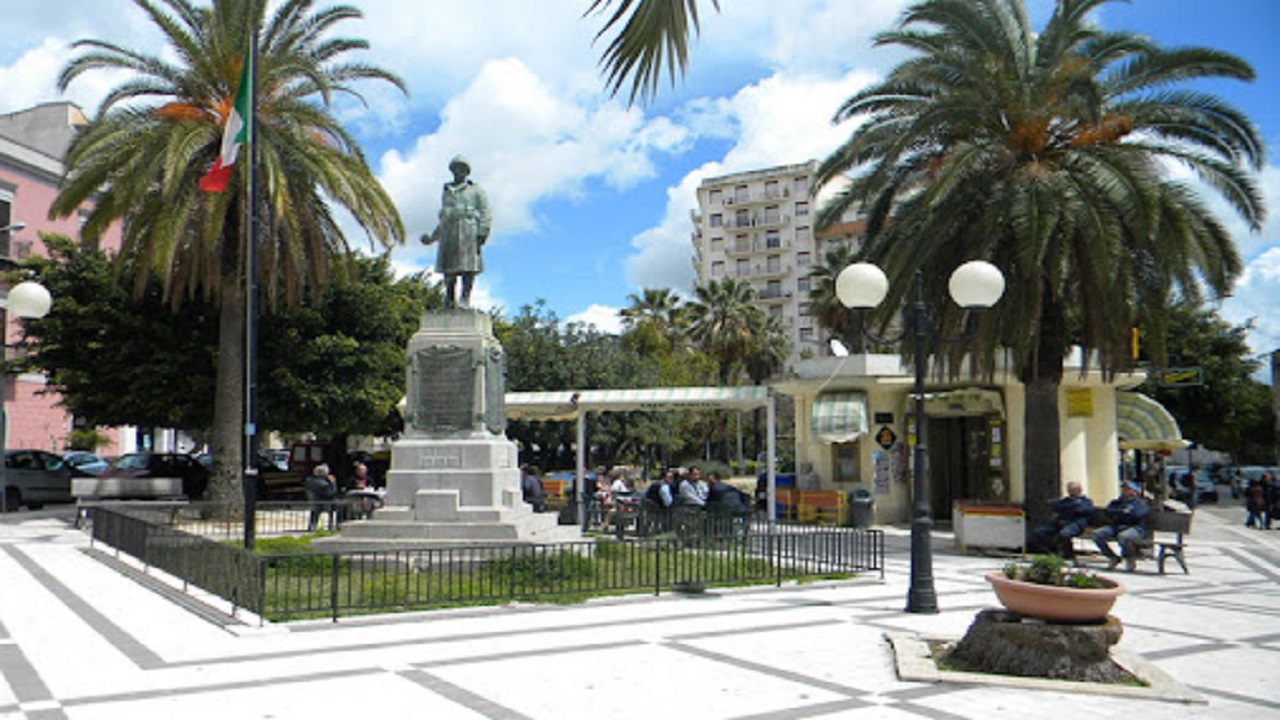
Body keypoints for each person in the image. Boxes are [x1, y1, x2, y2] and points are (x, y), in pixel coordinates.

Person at [421, 155, 491, 308]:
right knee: (449, 268)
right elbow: (444, 218)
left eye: (461, 168)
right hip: (449, 230)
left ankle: (465, 298)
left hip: (468, 228)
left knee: (468, 267)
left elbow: (485, 212)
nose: (458, 171)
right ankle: (449, 298)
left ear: (467, 171)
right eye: (455, 168)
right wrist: (432, 238)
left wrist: (482, 231)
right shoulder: (447, 190)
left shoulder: (476, 190)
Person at [1091, 481, 1150, 572]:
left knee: (1124, 536)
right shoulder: (1116, 502)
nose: (1124, 491)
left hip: (1135, 528)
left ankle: (1129, 558)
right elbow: (1108, 511)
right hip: (1116, 526)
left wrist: (1121, 513)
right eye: (1123, 488)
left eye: (1128, 489)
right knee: (1096, 534)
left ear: (1134, 491)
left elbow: (1137, 515)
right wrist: (1122, 512)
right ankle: (1112, 557)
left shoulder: (1140, 503)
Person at [1031, 481, 1094, 558]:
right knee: (1038, 532)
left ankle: (1068, 555)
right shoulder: (1065, 501)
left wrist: (1069, 508)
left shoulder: (1086, 501)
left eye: (1073, 490)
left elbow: (1083, 510)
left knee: (1064, 534)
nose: (1070, 492)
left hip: (1075, 524)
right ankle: (1050, 552)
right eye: (1069, 490)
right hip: (1059, 523)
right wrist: (1072, 507)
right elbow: (1056, 507)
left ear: (1079, 490)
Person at [304, 463, 337, 531]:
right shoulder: (323, 484)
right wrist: (333, 483)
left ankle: (312, 525)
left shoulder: (309, 480)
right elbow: (331, 493)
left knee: (315, 512)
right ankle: (335, 526)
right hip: (323, 502)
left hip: (314, 502)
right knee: (340, 506)